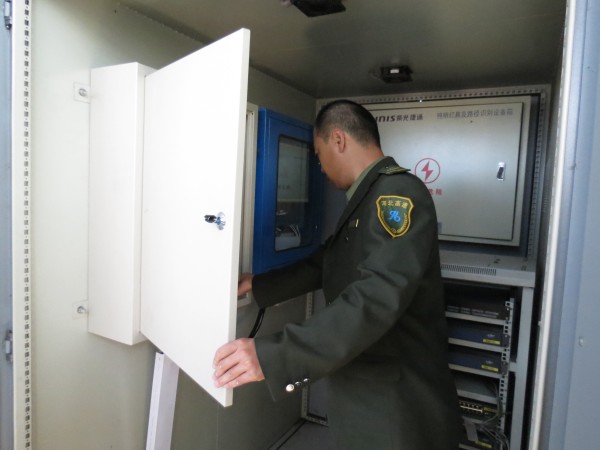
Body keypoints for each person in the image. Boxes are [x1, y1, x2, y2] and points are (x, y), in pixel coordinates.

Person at [213, 99, 461, 449]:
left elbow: (376, 296)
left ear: (339, 140)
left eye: (319, 154)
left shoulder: (396, 193)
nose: (321, 167)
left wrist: (277, 354)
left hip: (395, 399)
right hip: (365, 385)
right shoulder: (366, 197)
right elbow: (325, 263)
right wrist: (258, 283)